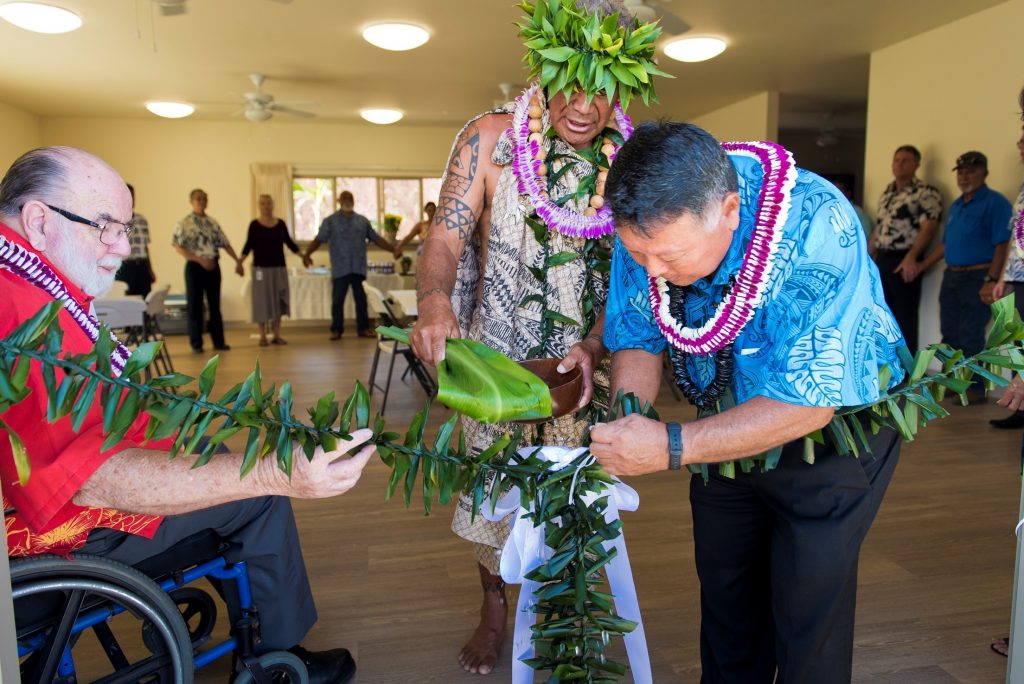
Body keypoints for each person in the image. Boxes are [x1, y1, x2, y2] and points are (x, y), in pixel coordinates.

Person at [0, 146, 375, 684]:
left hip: (54, 505)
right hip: (60, 536)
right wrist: (276, 471)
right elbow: (89, 480)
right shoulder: (19, 313)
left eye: (125, 227)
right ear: (38, 221)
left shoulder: (27, 281)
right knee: (258, 485)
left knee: (221, 458)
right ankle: (278, 653)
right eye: (106, 226)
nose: (122, 247)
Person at [589, 122, 906, 683]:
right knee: (727, 599)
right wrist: (626, 425)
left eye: (667, 255)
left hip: (832, 439)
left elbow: (810, 402)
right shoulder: (644, 227)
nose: (651, 270)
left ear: (730, 210)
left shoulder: (816, 223)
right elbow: (637, 332)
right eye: (639, 254)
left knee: (810, 617)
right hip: (720, 433)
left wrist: (669, 445)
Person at [409, 0, 668, 674]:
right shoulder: (488, 138)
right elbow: (444, 235)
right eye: (571, 82)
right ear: (544, 68)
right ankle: (496, 605)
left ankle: (565, 614)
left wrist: (594, 344)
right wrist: (435, 301)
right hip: (496, 367)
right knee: (492, 502)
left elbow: (637, 277)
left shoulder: (632, 163)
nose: (584, 105)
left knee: (574, 503)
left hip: (587, 368)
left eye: (603, 90)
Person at [917, 151, 1013, 402]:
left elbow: (1003, 244)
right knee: (950, 334)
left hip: (978, 276)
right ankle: (953, 383)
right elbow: (946, 245)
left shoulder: (995, 203)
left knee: (971, 334)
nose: (964, 176)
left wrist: (991, 280)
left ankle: (974, 388)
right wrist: (921, 265)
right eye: (960, 171)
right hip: (952, 277)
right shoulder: (957, 205)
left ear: (984, 172)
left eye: (971, 171)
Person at [868, 145, 943, 353]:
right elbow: (880, 228)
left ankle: (906, 373)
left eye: (905, 160)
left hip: (904, 258)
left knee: (903, 317)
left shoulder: (925, 192)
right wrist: (864, 258)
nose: (899, 164)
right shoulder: (887, 192)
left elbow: (929, 227)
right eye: (897, 160)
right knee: (881, 313)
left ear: (916, 164)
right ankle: (885, 368)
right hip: (882, 258)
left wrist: (912, 257)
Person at [302, 190, 394, 340]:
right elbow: (319, 239)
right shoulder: (330, 221)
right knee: (337, 300)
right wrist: (307, 254)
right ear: (339, 201)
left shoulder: (362, 221)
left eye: (350, 198)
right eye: (344, 198)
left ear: (354, 201)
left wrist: (393, 249)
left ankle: (363, 328)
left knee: (361, 300)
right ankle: (336, 330)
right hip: (340, 268)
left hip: (358, 268)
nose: (347, 200)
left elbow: (376, 239)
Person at [172, 188, 245, 354]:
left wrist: (238, 261)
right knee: (195, 305)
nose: (202, 202)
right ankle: (196, 343)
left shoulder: (213, 223)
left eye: (205, 199)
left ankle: (219, 341)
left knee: (214, 304)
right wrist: (200, 260)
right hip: (195, 267)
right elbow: (178, 246)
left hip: (213, 267)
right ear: (191, 202)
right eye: (199, 199)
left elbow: (225, 243)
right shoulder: (184, 223)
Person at [239, 194, 310, 347]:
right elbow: (248, 245)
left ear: (273, 205)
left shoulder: (281, 224)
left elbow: (290, 243)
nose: (266, 206)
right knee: (261, 302)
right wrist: (240, 262)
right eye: (263, 204)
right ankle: (263, 336)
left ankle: (277, 335)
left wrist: (303, 256)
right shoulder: (254, 225)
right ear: (259, 206)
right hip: (261, 270)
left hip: (278, 268)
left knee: (279, 300)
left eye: (269, 203)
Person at [990, 126, 1024, 429]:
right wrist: (1002, 277)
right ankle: (1020, 406)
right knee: (1017, 344)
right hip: (1017, 276)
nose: (1019, 144)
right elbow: (1016, 237)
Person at [113, 183, 156, 297]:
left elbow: (145, 248)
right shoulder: (115, 222)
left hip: (142, 267)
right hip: (125, 268)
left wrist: (150, 270)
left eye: (132, 196)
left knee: (144, 303)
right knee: (127, 305)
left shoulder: (142, 220)